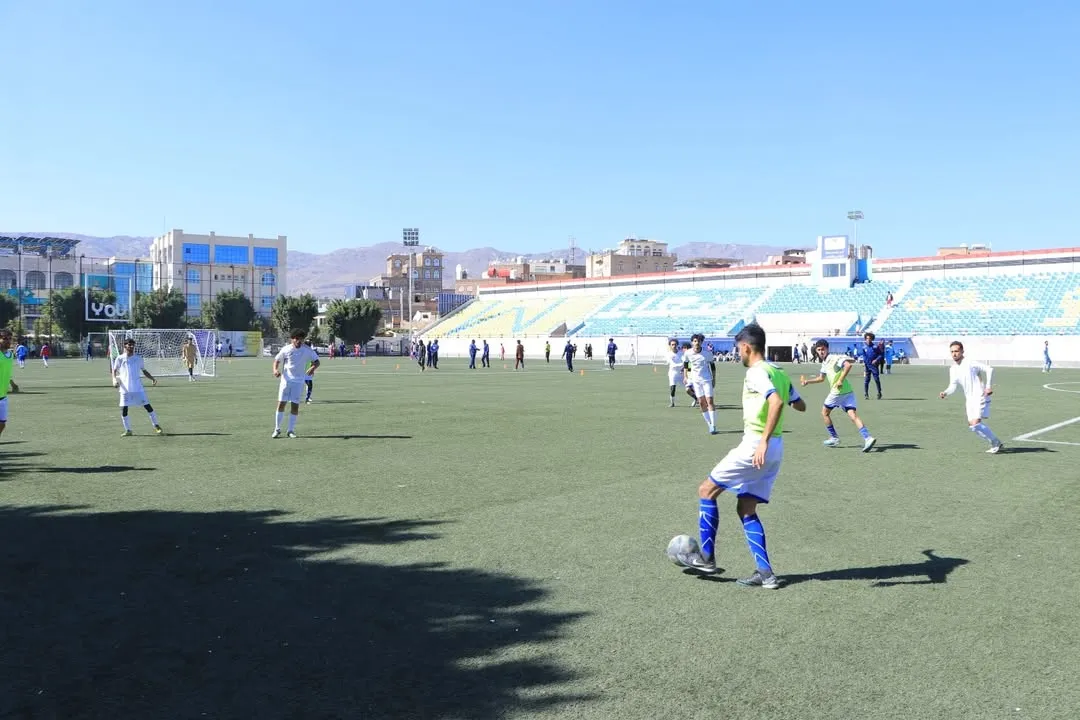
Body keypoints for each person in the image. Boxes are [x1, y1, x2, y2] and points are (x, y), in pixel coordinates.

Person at [674, 323, 806, 588]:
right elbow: (799, 404)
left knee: (706, 490)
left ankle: (707, 559)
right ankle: (766, 574)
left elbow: (777, 402)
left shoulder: (756, 373)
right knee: (746, 508)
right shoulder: (777, 371)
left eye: (738, 349)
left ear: (746, 347)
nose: (738, 354)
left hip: (756, 445)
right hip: (775, 449)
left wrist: (762, 442)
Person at [800, 340, 876, 452]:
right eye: (819, 350)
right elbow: (821, 378)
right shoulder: (825, 363)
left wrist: (840, 380)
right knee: (852, 415)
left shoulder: (833, 358)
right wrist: (808, 382)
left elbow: (848, 365)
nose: (821, 352)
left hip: (837, 392)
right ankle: (868, 438)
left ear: (827, 349)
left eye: (823, 349)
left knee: (824, 413)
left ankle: (834, 438)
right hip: (848, 391)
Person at [939, 341, 1003, 453]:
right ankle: (995, 441)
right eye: (952, 352)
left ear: (962, 351)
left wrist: (988, 387)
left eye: (956, 351)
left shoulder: (970, 363)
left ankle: (996, 442)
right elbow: (953, 386)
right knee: (972, 427)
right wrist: (945, 392)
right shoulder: (953, 369)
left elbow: (989, 369)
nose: (954, 354)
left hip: (980, 396)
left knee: (976, 423)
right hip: (969, 400)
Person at [272, 330, 320, 439]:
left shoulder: (307, 350)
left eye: (301, 339)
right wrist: (275, 370)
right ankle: (277, 429)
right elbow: (276, 360)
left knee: (295, 406)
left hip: (298, 382)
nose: (298, 341)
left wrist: (313, 368)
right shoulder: (286, 349)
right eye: (296, 338)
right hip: (286, 381)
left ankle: (290, 430)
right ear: (292, 339)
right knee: (281, 404)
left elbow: (317, 361)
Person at [112, 336, 163, 437]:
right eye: (129, 345)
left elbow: (144, 370)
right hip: (125, 389)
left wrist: (152, 379)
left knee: (148, 407)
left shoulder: (138, 358)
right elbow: (114, 371)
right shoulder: (120, 358)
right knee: (124, 409)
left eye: (132, 345)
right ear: (125, 346)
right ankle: (128, 430)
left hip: (137, 388)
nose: (131, 346)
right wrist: (114, 380)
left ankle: (156, 425)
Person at [684, 333, 717, 433]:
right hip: (696, 381)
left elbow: (713, 367)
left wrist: (714, 379)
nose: (697, 343)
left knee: (709, 401)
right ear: (692, 342)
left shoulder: (707, 353)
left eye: (698, 341)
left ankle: (714, 425)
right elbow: (686, 364)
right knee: (702, 403)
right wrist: (685, 376)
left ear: (701, 342)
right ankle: (709, 424)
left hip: (707, 380)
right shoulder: (688, 353)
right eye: (694, 341)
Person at [0, 330, 15, 440]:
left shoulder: (10, 355)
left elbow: (6, 372)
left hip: (3, 396)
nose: (8, 341)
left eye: (9, 338)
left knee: (2, 424)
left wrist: (12, 383)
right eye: (5, 338)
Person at [861, 332, 883, 399]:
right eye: (867, 338)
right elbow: (864, 356)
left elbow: (881, 355)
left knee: (876, 379)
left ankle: (879, 392)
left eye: (869, 338)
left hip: (874, 366)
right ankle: (866, 394)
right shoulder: (864, 347)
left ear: (872, 339)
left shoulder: (875, 347)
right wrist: (864, 362)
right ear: (865, 339)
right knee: (867, 380)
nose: (868, 340)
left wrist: (876, 360)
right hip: (867, 366)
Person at [664, 338, 684, 407]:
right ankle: (672, 403)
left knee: (689, 388)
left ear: (677, 345)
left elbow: (687, 363)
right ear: (670, 346)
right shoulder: (668, 354)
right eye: (672, 344)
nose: (674, 346)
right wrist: (682, 365)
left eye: (675, 344)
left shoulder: (682, 353)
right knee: (673, 387)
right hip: (673, 373)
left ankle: (696, 399)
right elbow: (672, 364)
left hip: (682, 373)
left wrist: (686, 369)